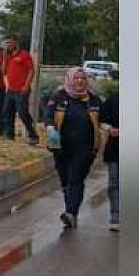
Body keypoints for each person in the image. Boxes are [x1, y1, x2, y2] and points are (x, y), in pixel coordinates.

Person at [43, 67, 103, 228]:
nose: (79, 81)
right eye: (76, 78)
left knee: (76, 178)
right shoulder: (59, 96)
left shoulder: (93, 100)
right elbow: (49, 115)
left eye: (82, 78)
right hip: (60, 146)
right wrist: (50, 128)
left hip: (85, 148)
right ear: (69, 79)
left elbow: (103, 119)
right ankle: (71, 208)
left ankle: (71, 213)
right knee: (65, 180)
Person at [1, 34, 38, 144]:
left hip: (21, 89)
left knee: (22, 112)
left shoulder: (24, 55)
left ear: (15, 42)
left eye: (10, 42)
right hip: (11, 89)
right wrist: (4, 58)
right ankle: (9, 135)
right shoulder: (8, 56)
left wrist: (26, 85)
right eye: (6, 43)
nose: (8, 45)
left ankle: (33, 135)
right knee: (7, 111)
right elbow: (3, 72)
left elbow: (31, 70)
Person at [100, 89, 119, 231]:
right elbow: (102, 120)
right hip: (115, 148)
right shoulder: (113, 99)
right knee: (114, 183)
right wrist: (110, 128)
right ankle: (116, 216)